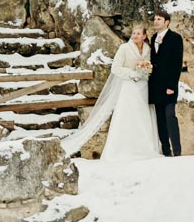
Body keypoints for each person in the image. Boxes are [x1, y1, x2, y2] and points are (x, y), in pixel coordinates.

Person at [62, 22, 161, 161]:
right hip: (129, 87)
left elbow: (150, 65)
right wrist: (132, 73)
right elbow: (116, 68)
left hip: (143, 87)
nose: (135, 36)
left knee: (143, 115)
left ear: (144, 36)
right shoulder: (124, 48)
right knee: (128, 116)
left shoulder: (148, 49)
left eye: (138, 34)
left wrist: (146, 70)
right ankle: (126, 149)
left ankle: (145, 147)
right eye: (133, 33)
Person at [149, 11, 184, 156]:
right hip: (155, 86)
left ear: (167, 22)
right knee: (160, 119)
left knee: (170, 115)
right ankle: (166, 151)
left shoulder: (175, 38)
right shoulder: (153, 38)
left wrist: (171, 86)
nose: (156, 21)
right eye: (155, 19)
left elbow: (177, 64)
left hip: (169, 86)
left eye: (159, 19)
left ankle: (177, 150)